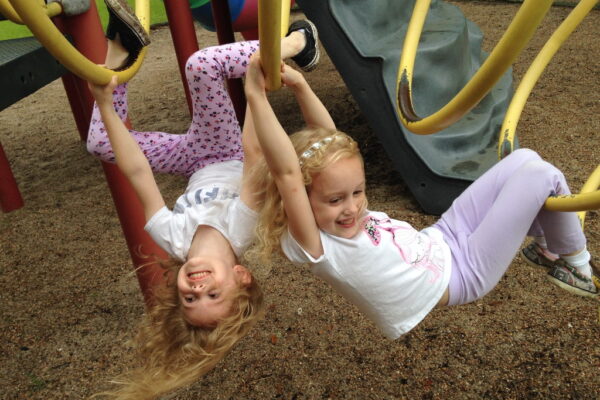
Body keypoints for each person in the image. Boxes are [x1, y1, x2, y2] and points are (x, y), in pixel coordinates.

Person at [244, 55, 598, 341]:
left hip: (442, 237)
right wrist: (255, 97)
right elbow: (287, 173)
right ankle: (577, 266)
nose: (351, 207)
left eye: (357, 192)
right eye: (335, 200)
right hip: (462, 273)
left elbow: (332, 140)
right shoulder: (316, 244)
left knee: (526, 159)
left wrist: (303, 86)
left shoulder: (332, 204)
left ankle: (547, 246)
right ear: (301, 201)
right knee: (542, 176)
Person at [87, 0, 320, 397]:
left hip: (194, 159)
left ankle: (120, 50)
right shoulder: (241, 229)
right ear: (241, 277)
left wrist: (106, 106)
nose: (197, 287)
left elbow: (138, 173)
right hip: (227, 150)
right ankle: (299, 41)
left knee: (100, 142)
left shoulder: (173, 238)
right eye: (213, 294)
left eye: (189, 297)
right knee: (201, 66)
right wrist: (255, 90)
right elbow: (254, 155)